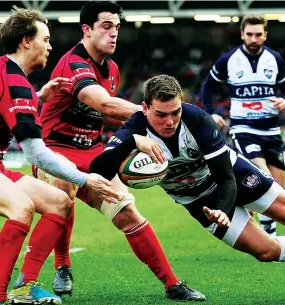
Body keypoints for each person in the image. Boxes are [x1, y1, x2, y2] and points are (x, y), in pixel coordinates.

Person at [89, 75, 285, 276]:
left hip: (231, 176)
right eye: (161, 115)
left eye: (175, 113)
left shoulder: (197, 119)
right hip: (196, 200)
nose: (169, 122)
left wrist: (223, 208)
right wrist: (133, 140)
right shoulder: (134, 128)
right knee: (266, 252)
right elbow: (99, 169)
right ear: (144, 108)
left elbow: (226, 178)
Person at [14, 1, 205, 301]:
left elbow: (106, 115)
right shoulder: (73, 63)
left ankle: (172, 283)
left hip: (94, 153)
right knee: (63, 194)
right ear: (86, 30)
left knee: (127, 212)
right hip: (55, 150)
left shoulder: (113, 69)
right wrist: (159, 118)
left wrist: (136, 135)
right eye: (106, 26)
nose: (114, 33)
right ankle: (45, 275)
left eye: (117, 27)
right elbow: (104, 104)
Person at [0, 6, 118, 305]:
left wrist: (38, 97)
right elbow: (36, 154)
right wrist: (86, 179)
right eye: (45, 40)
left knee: (59, 202)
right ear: (26, 41)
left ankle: (24, 286)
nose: (50, 46)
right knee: (21, 207)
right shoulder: (15, 83)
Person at [201, 14, 285, 238]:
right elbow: (207, 87)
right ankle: (271, 239)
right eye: (249, 34)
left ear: (265, 35)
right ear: (242, 34)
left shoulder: (275, 59)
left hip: (272, 131)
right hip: (243, 128)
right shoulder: (229, 59)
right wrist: (211, 112)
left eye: (258, 34)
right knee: (264, 176)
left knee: (280, 191)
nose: (254, 39)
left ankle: (250, 215)